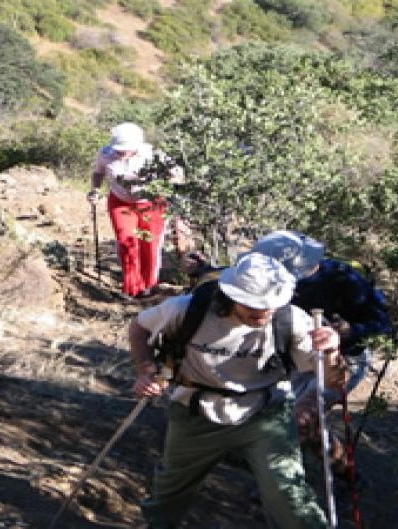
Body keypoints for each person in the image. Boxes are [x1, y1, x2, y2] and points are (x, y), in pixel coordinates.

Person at [128, 252, 345, 529]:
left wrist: (332, 352)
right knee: (169, 491)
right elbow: (139, 327)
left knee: (289, 495)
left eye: (270, 304)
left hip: (265, 415)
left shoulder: (292, 320)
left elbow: (334, 381)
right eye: (253, 305)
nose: (263, 312)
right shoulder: (187, 309)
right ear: (231, 295)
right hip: (194, 412)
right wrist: (146, 369)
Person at [250, 230, 392, 478]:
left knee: (300, 419)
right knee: (298, 421)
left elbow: (382, 324)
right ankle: (346, 473)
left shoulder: (343, 279)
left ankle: (280, 484)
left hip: (343, 360)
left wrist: (350, 331)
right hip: (297, 358)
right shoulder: (270, 281)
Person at [89, 122, 183, 299]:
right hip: (120, 202)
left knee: (150, 245)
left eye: (126, 150)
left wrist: (170, 183)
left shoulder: (153, 155)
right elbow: (98, 172)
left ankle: (149, 287)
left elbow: (177, 174)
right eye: (119, 150)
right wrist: (95, 190)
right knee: (126, 242)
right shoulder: (105, 154)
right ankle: (132, 289)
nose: (122, 153)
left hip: (152, 204)